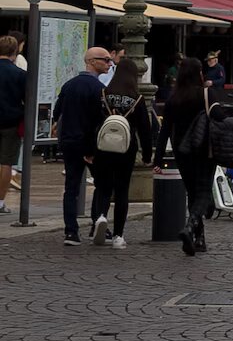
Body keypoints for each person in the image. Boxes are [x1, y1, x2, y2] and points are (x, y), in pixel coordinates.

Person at [89, 57, 156, 249]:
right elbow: (145, 128)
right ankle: (118, 235)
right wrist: (146, 155)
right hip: (126, 148)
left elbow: (92, 121)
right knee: (122, 190)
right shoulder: (137, 98)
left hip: (102, 147)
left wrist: (89, 148)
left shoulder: (103, 93)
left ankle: (101, 216)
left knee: (103, 186)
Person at [54, 47, 112, 245]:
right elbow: (96, 121)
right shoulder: (97, 89)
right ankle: (98, 222)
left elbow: (57, 113)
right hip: (89, 145)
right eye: (105, 60)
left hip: (70, 143)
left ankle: (71, 231)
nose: (109, 63)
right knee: (103, 183)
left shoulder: (69, 85)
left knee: (71, 187)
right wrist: (90, 150)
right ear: (91, 61)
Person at [159, 56, 214, 256]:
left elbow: (165, 130)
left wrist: (158, 159)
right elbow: (220, 118)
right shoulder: (205, 95)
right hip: (204, 149)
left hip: (181, 151)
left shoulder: (174, 98)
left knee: (192, 191)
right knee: (204, 192)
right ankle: (191, 227)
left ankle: (199, 239)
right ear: (198, 73)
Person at [0, 36, 24, 215]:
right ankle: (0, 201)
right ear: (15, 51)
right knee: (6, 162)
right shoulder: (19, 74)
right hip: (11, 122)